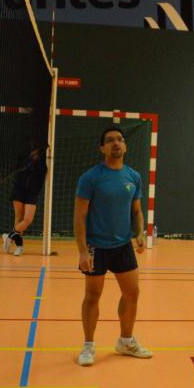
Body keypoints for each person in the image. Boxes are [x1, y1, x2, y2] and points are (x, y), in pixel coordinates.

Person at [74, 126, 151, 367]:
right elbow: (79, 217)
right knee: (92, 297)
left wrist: (139, 232)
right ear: (102, 148)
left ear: (125, 146)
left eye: (119, 139)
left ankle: (125, 341)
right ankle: (88, 346)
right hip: (96, 246)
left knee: (132, 293)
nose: (116, 143)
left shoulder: (133, 177)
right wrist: (83, 251)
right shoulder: (90, 178)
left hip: (123, 246)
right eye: (109, 140)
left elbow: (136, 211)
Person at [2, 143, 47, 256]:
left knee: (27, 220)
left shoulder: (43, 162)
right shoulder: (22, 159)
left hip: (32, 193)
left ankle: (9, 236)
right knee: (19, 219)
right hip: (19, 190)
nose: (35, 153)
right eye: (33, 151)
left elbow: (42, 175)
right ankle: (19, 247)